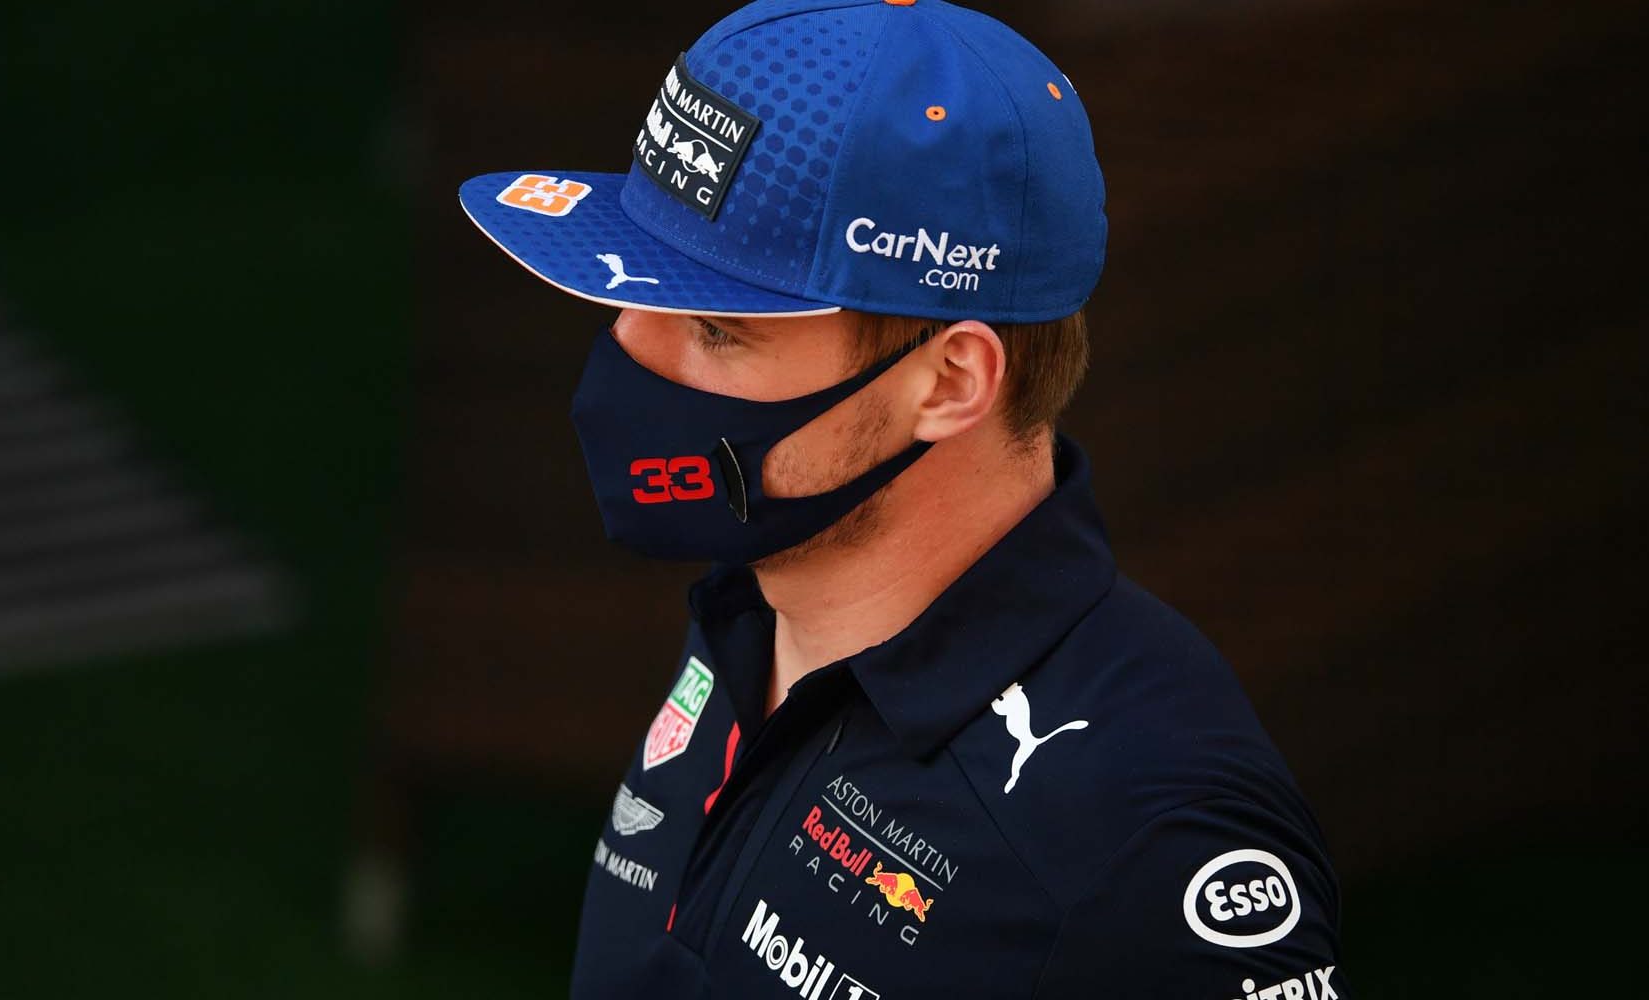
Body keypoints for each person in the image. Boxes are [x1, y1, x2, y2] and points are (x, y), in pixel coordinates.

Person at [458, 0, 1349, 996]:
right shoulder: (757, 603)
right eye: (639, 290)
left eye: (714, 326)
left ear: (950, 381)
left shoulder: (1136, 838)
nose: (628, 348)